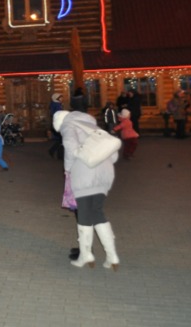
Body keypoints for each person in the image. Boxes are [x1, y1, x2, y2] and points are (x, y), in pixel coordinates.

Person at [54, 109, 120, 271]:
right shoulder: (90, 124)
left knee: (83, 213)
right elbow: (113, 154)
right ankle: (112, 257)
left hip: (84, 172)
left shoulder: (68, 125)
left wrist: (68, 170)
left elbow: (70, 147)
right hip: (105, 171)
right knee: (97, 211)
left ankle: (85, 255)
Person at [48, 93, 64, 159]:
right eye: (60, 97)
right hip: (58, 123)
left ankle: (58, 154)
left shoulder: (55, 104)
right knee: (61, 139)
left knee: (61, 139)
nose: (62, 99)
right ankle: (54, 151)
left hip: (57, 123)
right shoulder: (57, 105)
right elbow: (58, 114)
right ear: (57, 98)